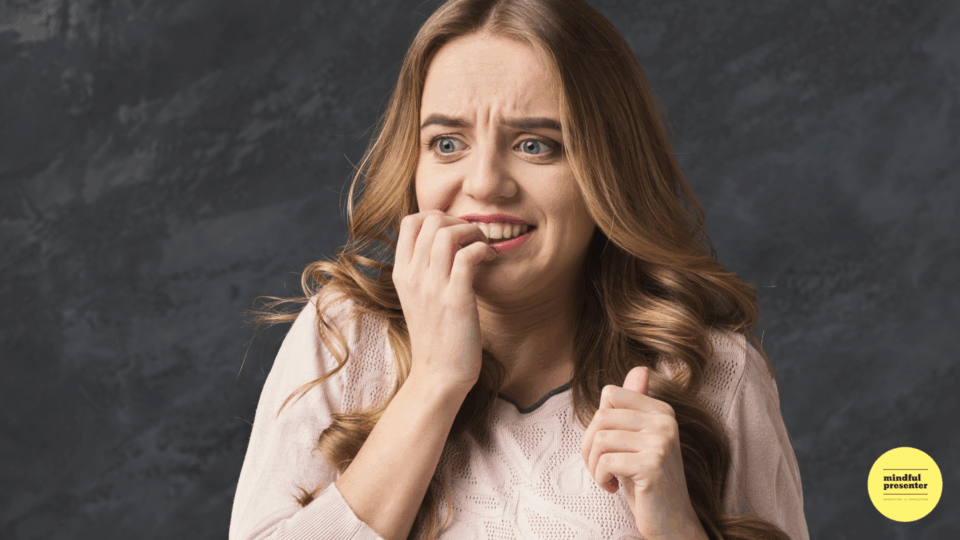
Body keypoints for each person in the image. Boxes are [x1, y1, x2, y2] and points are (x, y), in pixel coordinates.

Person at [229, 0, 810, 539]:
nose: (483, 184)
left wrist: (677, 528)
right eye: (447, 143)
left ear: (606, 171)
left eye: (536, 145)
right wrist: (434, 382)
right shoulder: (342, 338)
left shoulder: (716, 373)